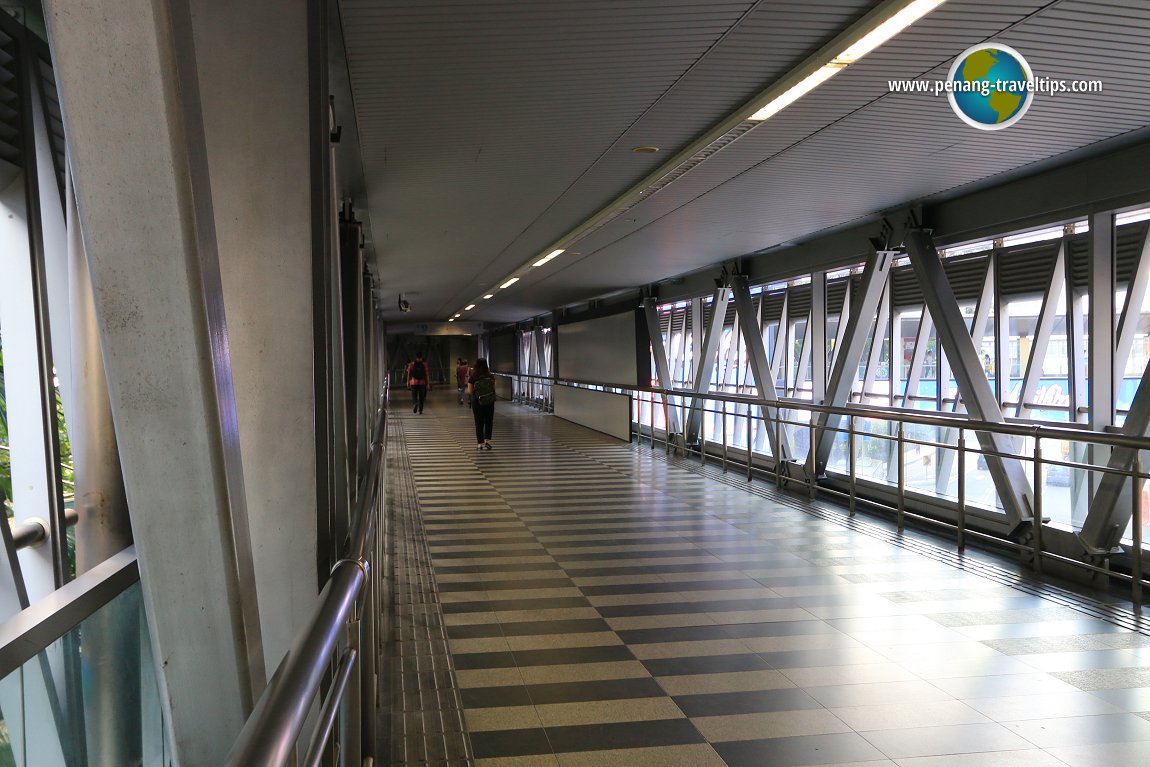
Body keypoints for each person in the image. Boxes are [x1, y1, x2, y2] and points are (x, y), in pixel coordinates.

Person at [468, 358, 496, 450]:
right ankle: (487, 441)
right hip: (489, 402)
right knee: (488, 421)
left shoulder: (473, 377)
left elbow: (470, 391)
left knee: (479, 422)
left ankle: (479, 444)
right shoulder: (490, 376)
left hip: (477, 402)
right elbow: (493, 389)